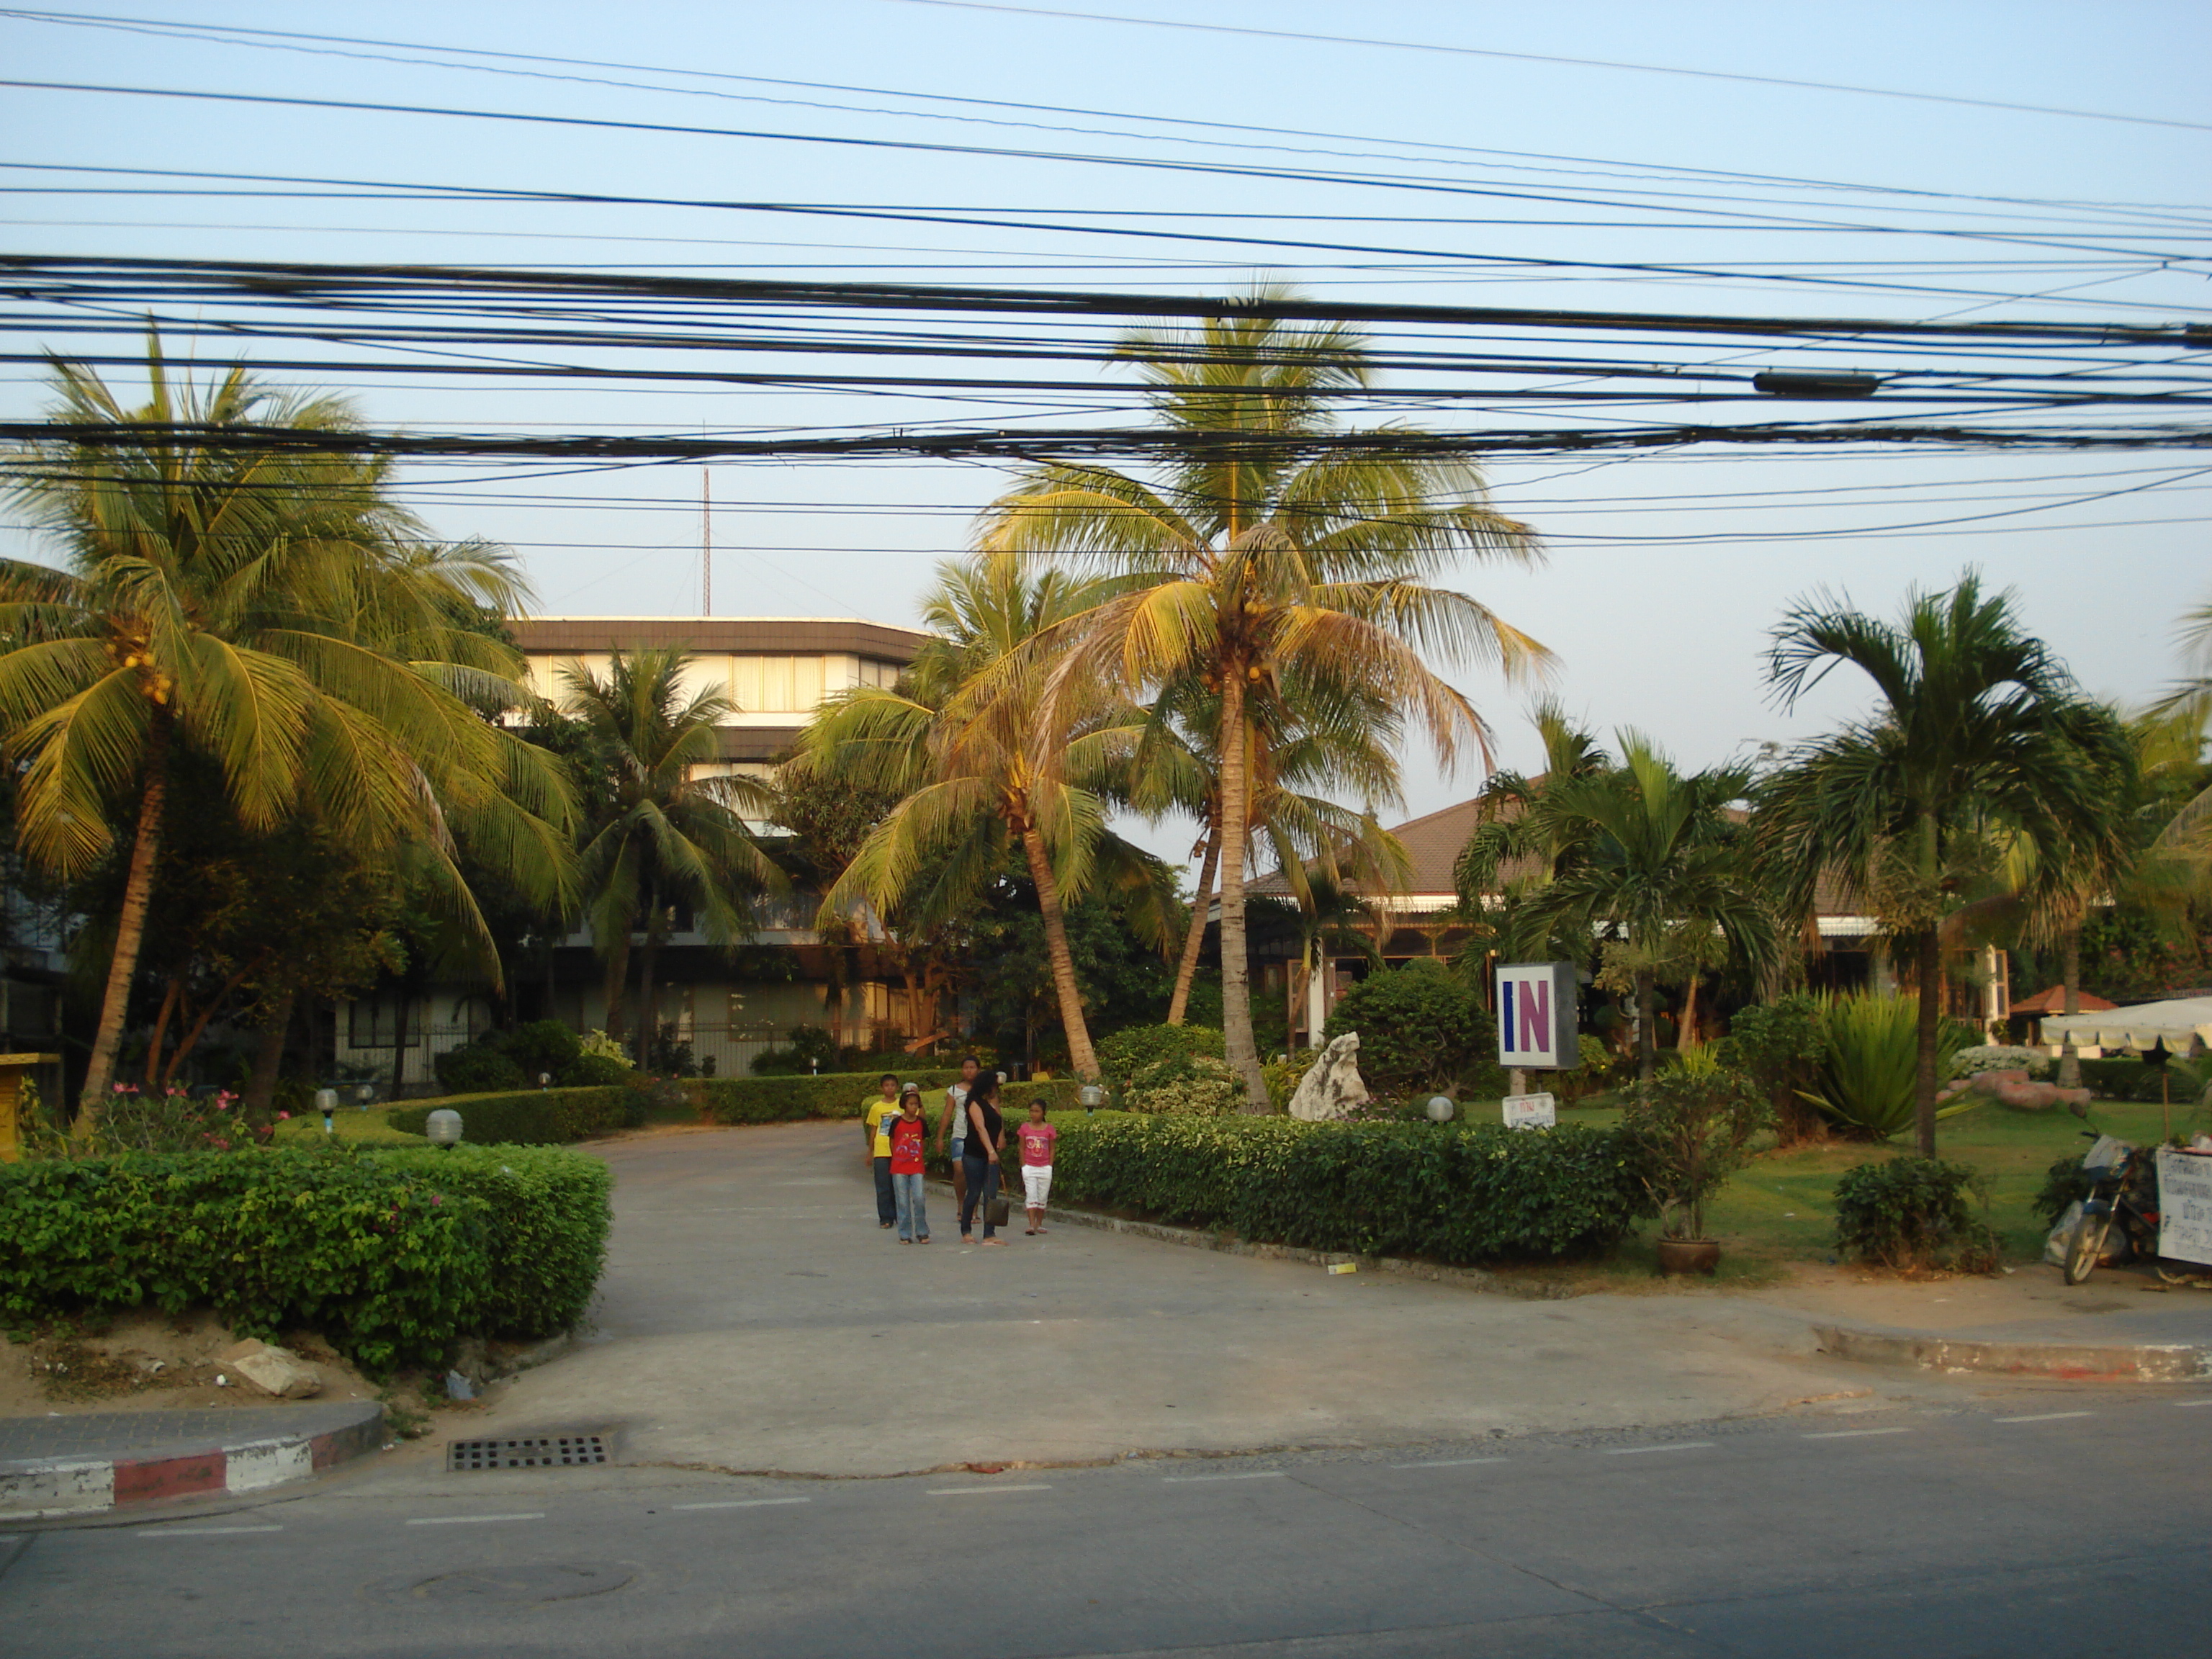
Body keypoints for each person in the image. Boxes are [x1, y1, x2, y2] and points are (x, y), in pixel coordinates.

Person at [959, 1069, 1007, 1246]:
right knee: (974, 1192)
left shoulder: (989, 1103)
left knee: (991, 1194)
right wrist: (990, 1151)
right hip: (974, 1154)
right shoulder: (974, 1103)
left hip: (990, 1155)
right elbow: (980, 1128)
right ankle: (966, 1230)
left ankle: (989, 1233)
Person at [937, 1054, 981, 1212]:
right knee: (959, 1169)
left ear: (978, 1069)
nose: (969, 1071)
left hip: (979, 1136)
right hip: (960, 1135)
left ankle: (974, 1207)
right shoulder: (954, 1090)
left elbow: (995, 1111)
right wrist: (940, 1137)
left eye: (972, 1068)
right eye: (966, 1068)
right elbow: (947, 1113)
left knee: (975, 1173)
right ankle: (962, 1203)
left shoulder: (984, 1089)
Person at [889, 1082, 931, 1244]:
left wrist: (919, 1157)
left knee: (919, 1198)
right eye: (911, 1104)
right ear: (904, 1105)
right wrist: (897, 1157)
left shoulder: (921, 1123)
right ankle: (905, 1234)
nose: (914, 1107)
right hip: (899, 1166)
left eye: (916, 1104)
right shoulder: (897, 1122)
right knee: (902, 1200)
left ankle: (922, 1231)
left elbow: (923, 1141)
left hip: (916, 1166)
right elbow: (892, 1141)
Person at [862, 1073, 899, 1228]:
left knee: (897, 1186)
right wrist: (870, 1151)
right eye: (886, 1085)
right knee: (883, 1186)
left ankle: (898, 1215)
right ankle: (885, 1218)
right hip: (882, 1150)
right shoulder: (877, 1107)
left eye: (892, 1085)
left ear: (897, 1087)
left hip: (899, 1150)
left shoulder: (902, 1105)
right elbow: (873, 1130)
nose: (890, 1088)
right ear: (882, 1088)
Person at [1016, 1100, 1058, 1236]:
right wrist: (1024, 1165)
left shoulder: (1049, 1129)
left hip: (1044, 1167)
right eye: (1032, 1111)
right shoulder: (1025, 1128)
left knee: (1042, 1197)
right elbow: (1021, 1148)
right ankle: (1031, 1224)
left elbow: (1052, 1149)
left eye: (1037, 1111)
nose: (1034, 1114)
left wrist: (1049, 1165)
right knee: (1031, 1195)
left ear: (1044, 1113)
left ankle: (1039, 1223)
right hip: (1030, 1167)